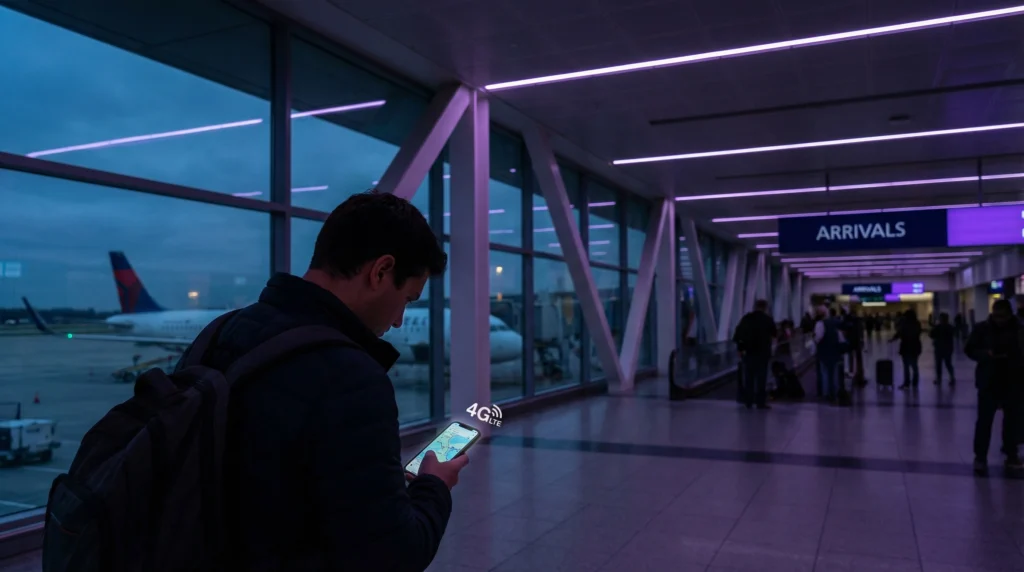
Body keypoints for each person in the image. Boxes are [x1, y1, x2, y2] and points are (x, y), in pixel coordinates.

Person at [175, 191, 461, 571]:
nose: (397, 322)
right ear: (380, 271)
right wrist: (434, 485)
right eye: (406, 299)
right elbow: (393, 556)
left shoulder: (218, 333)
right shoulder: (352, 378)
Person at [965, 299, 1024, 476]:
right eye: (996, 316)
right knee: (984, 421)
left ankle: (1011, 453)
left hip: (1013, 380)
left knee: (1012, 421)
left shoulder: (1019, 329)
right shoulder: (982, 328)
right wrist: (985, 354)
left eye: (1003, 316)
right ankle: (980, 457)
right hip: (989, 381)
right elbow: (969, 349)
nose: (999, 320)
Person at [733, 299, 777, 409]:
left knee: (749, 377)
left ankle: (748, 401)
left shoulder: (747, 319)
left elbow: (738, 335)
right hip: (763, 353)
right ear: (765, 307)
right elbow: (775, 334)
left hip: (748, 353)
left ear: (755, 306)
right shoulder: (767, 320)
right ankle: (760, 402)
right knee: (761, 378)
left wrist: (740, 348)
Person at [814, 306, 846, 404]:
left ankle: (827, 394)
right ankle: (834, 393)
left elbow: (818, 338)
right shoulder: (836, 323)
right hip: (835, 352)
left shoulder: (820, 324)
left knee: (825, 373)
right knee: (834, 374)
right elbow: (841, 339)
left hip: (824, 353)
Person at [891, 309, 923, 389]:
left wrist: (894, 338)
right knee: (914, 365)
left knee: (907, 366)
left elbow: (900, 333)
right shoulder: (916, 323)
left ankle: (907, 383)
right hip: (915, 346)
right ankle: (914, 383)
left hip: (906, 347)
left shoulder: (904, 324)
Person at [930, 312, 956, 385]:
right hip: (948, 348)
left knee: (939, 364)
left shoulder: (937, 327)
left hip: (939, 348)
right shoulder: (950, 327)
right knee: (948, 364)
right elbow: (954, 334)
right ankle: (952, 377)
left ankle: (939, 379)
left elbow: (931, 335)